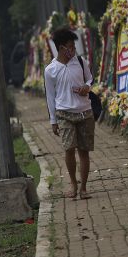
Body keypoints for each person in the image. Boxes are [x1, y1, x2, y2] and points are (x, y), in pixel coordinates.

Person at [44, 28, 94, 200]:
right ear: (61, 48)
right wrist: (53, 120)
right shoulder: (50, 70)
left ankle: (84, 187)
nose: (73, 50)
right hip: (64, 114)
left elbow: (90, 79)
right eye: (70, 47)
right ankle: (73, 183)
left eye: (74, 47)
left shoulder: (80, 62)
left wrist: (87, 87)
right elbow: (50, 96)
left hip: (85, 112)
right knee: (69, 149)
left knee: (84, 151)